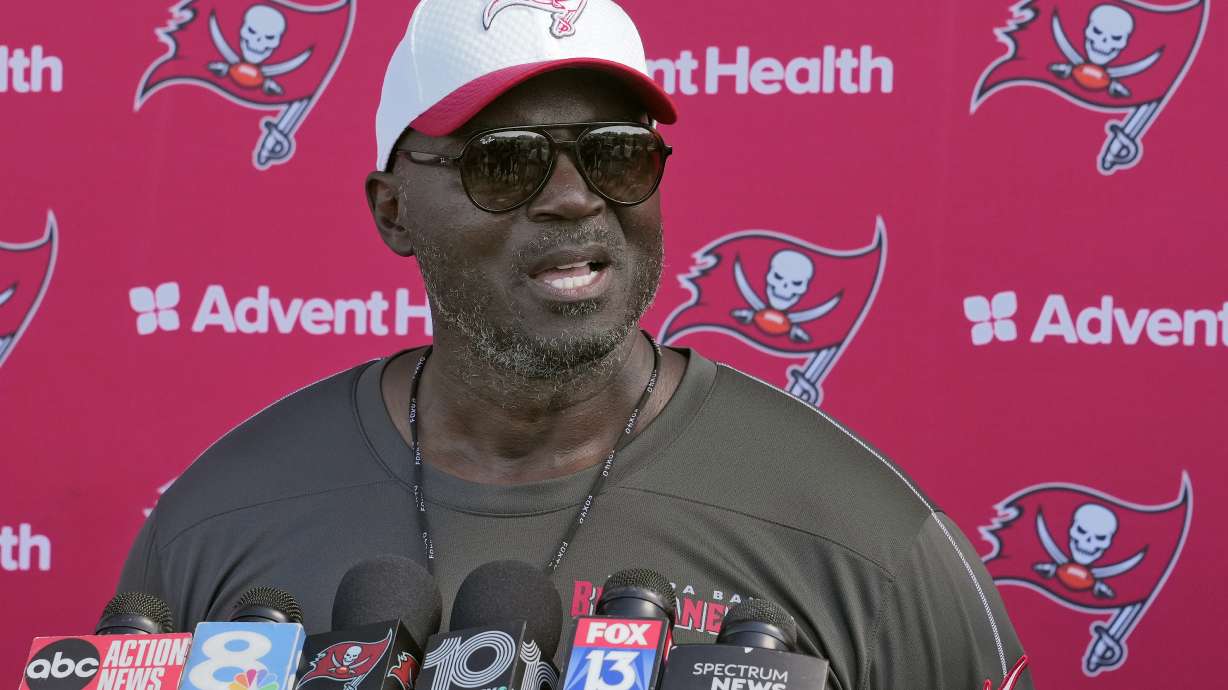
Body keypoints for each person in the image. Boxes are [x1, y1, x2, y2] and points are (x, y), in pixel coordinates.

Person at [118, 1, 1033, 688]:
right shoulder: (217, 523)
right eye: (506, 160)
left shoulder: (867, 538)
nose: (573, 197)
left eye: (615, 152)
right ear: (394, 210)